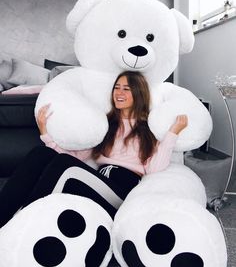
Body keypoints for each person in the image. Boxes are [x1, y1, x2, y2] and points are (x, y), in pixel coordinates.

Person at [0, 71, 187, 228]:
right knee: (41, 153)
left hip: (120, 192)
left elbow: (155, 167)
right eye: (117, 87)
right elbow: (76, 156)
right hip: (96, 182)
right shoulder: (105, 125)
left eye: (126, 89)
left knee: (65, 166)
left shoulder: (147, 130)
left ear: (138, 94)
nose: (119, 93)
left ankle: (22, 223)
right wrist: (45, 133)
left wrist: (172, 134)